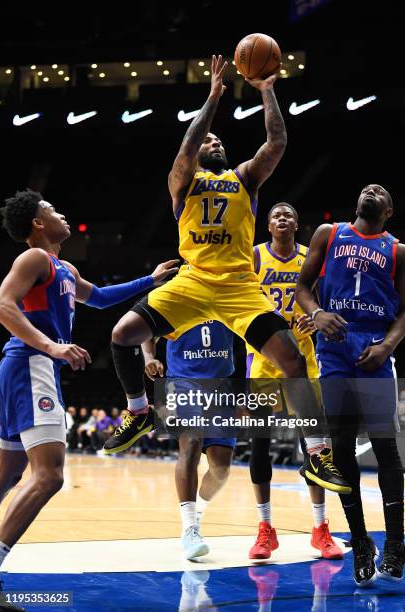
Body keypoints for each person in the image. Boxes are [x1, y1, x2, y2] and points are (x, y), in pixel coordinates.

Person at [103, 56, 348, 495]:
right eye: (207, 141)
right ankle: (138, 413)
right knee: (122, 334)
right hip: (193, 282)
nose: (214, 143)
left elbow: (276, 143)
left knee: (292, 361)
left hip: (239, 288)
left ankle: (317, 455)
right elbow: (185, 148)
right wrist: (213, 98)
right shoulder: (183, 182)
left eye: (218, 141)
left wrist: (267, 89)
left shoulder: (244, 179)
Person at [0, 189, 178, 578]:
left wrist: (151, 280)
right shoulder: (34, 257)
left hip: (26, 369)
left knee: (8, 476)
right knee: (49, 476)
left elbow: (98, 299)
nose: (63, 214)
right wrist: (52, 346)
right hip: (32, 363)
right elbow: (2, 304)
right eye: (53, 209)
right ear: (38, 223)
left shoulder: (64, 269)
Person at [296, 184, 405, 586]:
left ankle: (396, 542)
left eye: (381, 191)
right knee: (341, 447)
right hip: (335, 350)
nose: (372, 189)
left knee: (385, 448)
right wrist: (319, 313)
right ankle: (361, 542)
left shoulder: (398, 250)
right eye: (366, 188)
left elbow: (404, 312)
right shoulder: (329, 233)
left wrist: (387, 345)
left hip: (374, 349)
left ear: (388, 210)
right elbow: (303, 289)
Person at [245, 203, 343, 561]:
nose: (282, 219)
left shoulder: (308, 258)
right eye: (276, 215)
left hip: (304, 363)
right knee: (259, 447)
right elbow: (240, 307)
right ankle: (265, 530)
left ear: (297, 224)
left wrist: (315, 321)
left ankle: (320, 529)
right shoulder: (255, 257)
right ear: (268, 225)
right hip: (264, 364)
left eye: (288, 215)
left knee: (315, 449)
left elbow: (327, 301)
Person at [143, 319, 236, 559]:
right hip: (182, 382)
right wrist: (148, 357)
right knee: (191, 444)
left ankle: (198, 513)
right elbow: (146, 329)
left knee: (221, 467)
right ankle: (189, 529)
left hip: (222, 386)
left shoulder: (230, 293)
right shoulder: (175, 295)